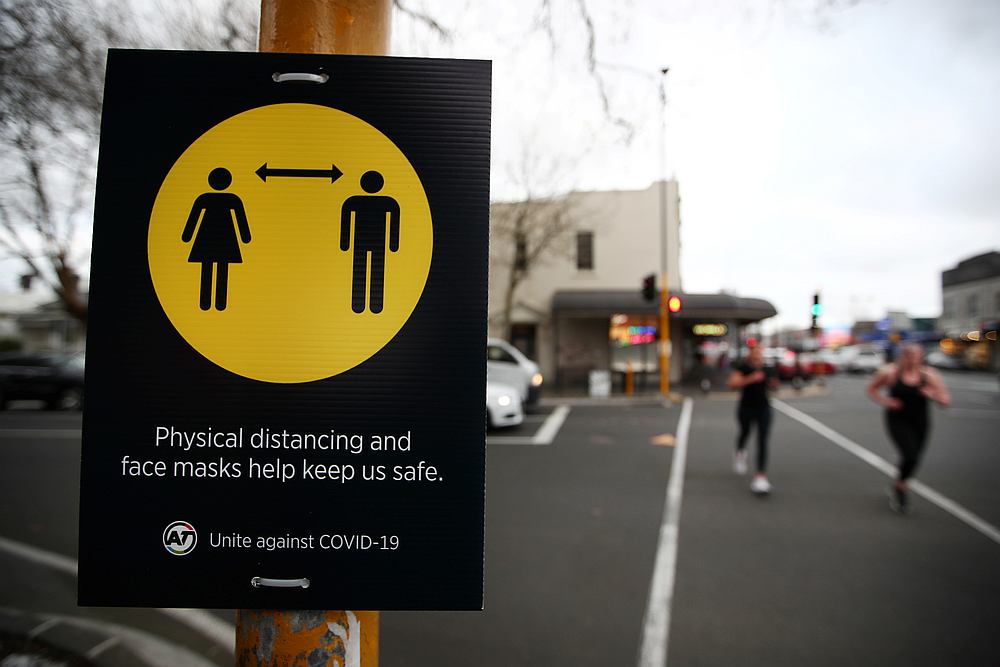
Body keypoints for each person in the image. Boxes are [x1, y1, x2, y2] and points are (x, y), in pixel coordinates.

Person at [867, 343, 950, 513]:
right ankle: (901, 489)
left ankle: (898, 484)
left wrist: (932, 395)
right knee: (909, 453)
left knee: (915, 457)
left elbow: (945, 401)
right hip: (897, 420)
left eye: (915, 354)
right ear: (902, 356)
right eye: (908, 354)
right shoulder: (891, 373)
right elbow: (872, 389)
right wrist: (887, 401)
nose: (911, 357)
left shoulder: (929, 375)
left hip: (920, 421)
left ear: (921, 356)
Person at [181, 167, 251, 311]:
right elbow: (241, 220)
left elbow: (194, 218)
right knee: (220, 269)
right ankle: (216, 304)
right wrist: (245, 237)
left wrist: (187, 236)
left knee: (210, 268)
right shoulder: (230, 199)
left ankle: (210, 303)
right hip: (223, 238)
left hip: (209, 237)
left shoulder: (206, 198)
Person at [727, 345, 779, 494]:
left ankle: (760, 476)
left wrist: (774, 383)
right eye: (755, 354)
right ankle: (740, 452)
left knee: (762, 440)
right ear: (750, 356)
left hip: (764, 408)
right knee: (745, 432)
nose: (758, 357)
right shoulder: (743, 368)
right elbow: (732, 383)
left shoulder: (768, 368)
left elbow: (774, 384)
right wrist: (751, 378)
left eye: (760, 354)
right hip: (746, 408)